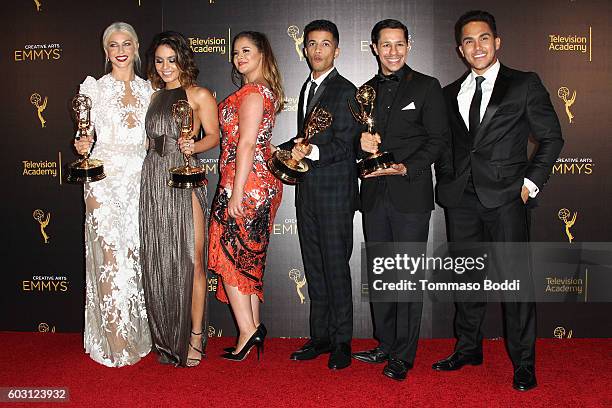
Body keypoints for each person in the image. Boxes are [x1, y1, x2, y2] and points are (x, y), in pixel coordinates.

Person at [432, 10, 563, 391]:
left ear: (497, 42)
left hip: (507, 197)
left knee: (517, 283)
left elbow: (552, 138)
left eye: (484, 38)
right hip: (461, 200)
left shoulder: (523, 84)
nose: (477, 46)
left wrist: (529, 183)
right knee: (466, 280)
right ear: (460, 48)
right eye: (469, 41)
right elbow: (450, 146)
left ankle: (524, 361)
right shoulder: (449, 92)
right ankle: (469, 347)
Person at [351, 19, 449, 381]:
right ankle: (386, 343)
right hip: (375, 196)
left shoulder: (426, 86)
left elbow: (438, 140)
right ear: (374, 48)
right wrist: (359, 145)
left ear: (409, 45)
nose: (392, 52)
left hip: (410, 194)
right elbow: (355, 144)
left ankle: (404, 354)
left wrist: (406, 167)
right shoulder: (362, 93)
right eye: (385, 45)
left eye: (398, 44)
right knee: (382, 276)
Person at [280, 20, 360, 370]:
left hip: (335, 195)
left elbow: (346, 146)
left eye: (325, 45)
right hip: (308, 193)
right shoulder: (307, 87)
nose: (316, 50)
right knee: (314, 268)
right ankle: (321, 336)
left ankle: (342, 341)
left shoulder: (346, 90)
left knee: (336, 269)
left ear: (336, 50)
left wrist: (308, 152)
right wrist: (282, 151)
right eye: (311, 44)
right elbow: (306, 136)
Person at [74, 21, 152, 367]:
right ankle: (114, 340)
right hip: (104, 182)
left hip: (138, 181)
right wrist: (82, 143)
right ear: (106, 52)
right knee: (109, 259)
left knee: (133, 258)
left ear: (136, 48)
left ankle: (136, 333)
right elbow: (84, 135)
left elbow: (153, 141)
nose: (120, 50)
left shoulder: (150, 90)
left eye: (126, 44)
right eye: (113, 45)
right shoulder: (93, 89)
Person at [140, 31, 219, 367]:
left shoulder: (198, 94)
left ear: (183, 59)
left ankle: (196, 336)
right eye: (159, 61)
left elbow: (214, 135)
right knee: (160, 260)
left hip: (185, 176)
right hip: (154, 178)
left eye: (171, 60)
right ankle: (166, 336)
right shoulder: (154, 95)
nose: (166, 67)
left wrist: (194, 146)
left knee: (192, 258)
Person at [208, 31, 284, 361]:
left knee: (230, 257)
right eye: (236, 51)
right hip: (254, 183)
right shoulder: (262, 90)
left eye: (247, 50)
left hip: (246, 185)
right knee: (246, 259)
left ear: (262, 54)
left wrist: (236, 193)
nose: (239, 56)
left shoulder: (254, 92)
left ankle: (247, 331)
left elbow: (247, 145)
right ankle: (252, 326)